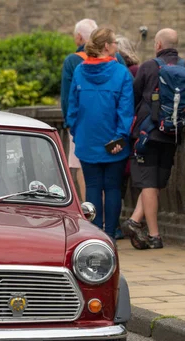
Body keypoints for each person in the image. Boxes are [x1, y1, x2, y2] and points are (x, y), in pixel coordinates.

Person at [122, 28, 185, 250]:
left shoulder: (147, 67)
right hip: (172, 133)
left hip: (147, 133)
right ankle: (135, 221)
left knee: (147, 182)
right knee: (155, 182)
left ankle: (154, 235)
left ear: (157, 45)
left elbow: (133, 97)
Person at [66, 27, 134, 242]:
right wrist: (120, 137)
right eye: (114, 43)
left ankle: (96, 235)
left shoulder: (79, 71)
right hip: (114, 141)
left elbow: (72, 108)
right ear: (106, 46)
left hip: (87, 140)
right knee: (112, 187)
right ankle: (111, 233)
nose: (116, 46)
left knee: (93, 187)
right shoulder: (121, 73)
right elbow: (126, 110)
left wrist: (78, 134)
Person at [61, 19, 128, 203]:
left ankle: (91, 218)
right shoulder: (118, 61)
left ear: (79, 38)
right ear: (107, 45)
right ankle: (111, 225)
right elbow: (126, 97)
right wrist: (122, 132)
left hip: (83, 128)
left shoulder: (73, 62)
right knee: (112, 184)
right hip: (114, 129)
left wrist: (73, 127)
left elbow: (68, 99)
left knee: (89, 180)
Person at [114, 34, 142, 239]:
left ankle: (114, 224)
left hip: (124, 131)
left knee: (117, 182)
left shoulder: (126, 73)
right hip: (131, 131)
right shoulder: (136, 70)